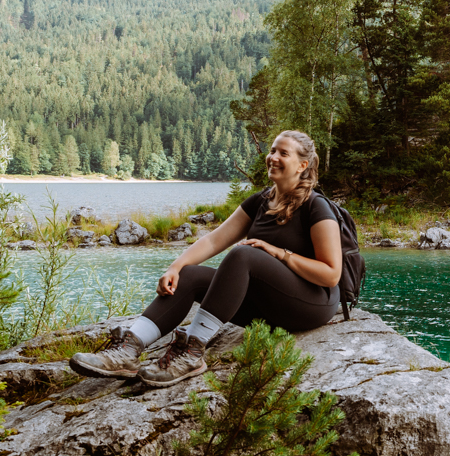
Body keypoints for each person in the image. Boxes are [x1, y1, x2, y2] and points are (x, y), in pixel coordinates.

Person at [71, 129, 343, 387]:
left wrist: (279, 253)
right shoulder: (260, 201)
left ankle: (191, 353)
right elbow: (213, 240)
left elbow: (331, 274)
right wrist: (175, 267)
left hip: (311, 305)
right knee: (190, 274)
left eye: (284, 153)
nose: (273, 157)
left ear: (302, 165)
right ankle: (127, 352)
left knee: (243, 255)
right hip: (268, 306)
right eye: (272, 150)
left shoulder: (316, 207)